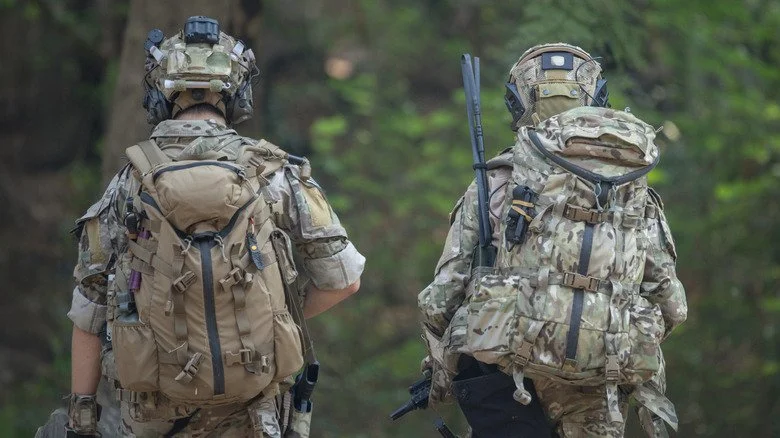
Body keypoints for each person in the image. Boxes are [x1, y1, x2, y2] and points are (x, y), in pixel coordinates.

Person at [63, 16, 364, 437]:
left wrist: (81, 416)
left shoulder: (128, 183)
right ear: (237, 92)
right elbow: (343, 280)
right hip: (255, 407)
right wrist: (271, 321)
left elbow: (89, 311)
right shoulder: (274, 173)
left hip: (154, 412)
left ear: (159, 94)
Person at [418, 43, 687, 438]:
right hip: (601, 383)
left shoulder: (493, 183)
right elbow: (672, 306)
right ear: (596, 96)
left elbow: (439, 300)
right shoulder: (634, 191)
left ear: (518, 103)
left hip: (508, 381)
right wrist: (605, 333)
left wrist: (454, 357)